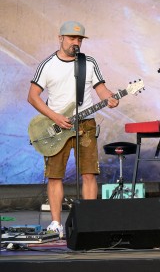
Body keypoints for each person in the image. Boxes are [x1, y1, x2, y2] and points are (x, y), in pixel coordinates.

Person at [27, 21, 120, 238]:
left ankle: (89, 221)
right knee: (55, 175)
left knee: (89, 173)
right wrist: (55, 117)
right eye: (71, 38)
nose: (76, 42)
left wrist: (110, 98)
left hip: (85, 124)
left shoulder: (88, 63)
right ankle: (56, 223)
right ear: (60, 38)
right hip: (56, 125)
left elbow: (101, 89)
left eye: (79, 39)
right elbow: (32, 96)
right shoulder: (47, 64)